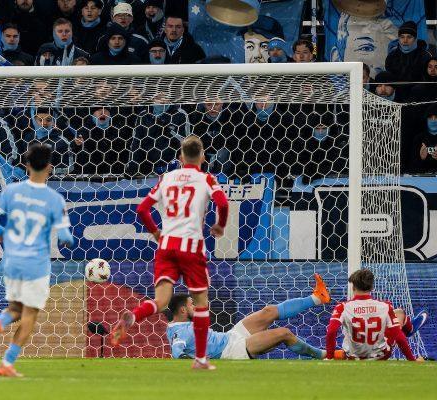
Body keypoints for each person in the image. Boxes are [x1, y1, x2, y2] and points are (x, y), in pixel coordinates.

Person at [110, 136, 229, 370]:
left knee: (161, 301)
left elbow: (142, 209)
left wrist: (155, 232)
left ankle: (134, 316)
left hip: (166, 246)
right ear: (202, 156)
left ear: (181, 157)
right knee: (201, 304)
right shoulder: (207, 179)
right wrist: (220, 226)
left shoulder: (166, 178)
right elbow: (223, 204)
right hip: (191, 247)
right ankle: (201, 359)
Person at [0, 144, 74, 377]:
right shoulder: (55, 199)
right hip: (36, 263)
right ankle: (7, 363)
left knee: (15, 308)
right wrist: (65, 239)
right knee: (30, 314)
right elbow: (66, 237)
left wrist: (2, 233)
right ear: (50, 167)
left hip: (12, 260)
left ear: (27, 165)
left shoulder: (11, 191)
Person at [166, 274, 330, 360]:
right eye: (191, 305)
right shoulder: (179, 332)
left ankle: (317, 297)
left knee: (268, 311)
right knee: (284, 333)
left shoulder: (178, 325)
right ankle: (325, 355)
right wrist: (189, 359)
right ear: (182, 310)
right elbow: (177, 350)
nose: (195, 307)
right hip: (231, 351)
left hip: (230, 336)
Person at [325, 269, 418, 361]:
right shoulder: (385, 306)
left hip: (353, 357)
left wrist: (329, 357)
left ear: (353, 287)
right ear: (372, 287)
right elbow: (398, 336)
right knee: (399, 313)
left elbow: (331, 332)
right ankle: (409, 328)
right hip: (380, 356)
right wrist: (412, 360)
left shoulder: (342, 307)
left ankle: (408, 328)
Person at [125, 96, 190, 176]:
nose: (161, 99)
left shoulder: (180, 114)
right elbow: (136, 143)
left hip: (172, 168)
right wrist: (133, 167)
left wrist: (169, 130)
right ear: (152, 97)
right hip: (148, 169)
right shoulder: (143, 115)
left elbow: (186, 143)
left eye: (164, 94)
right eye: (158, 96)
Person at [15, 107, 75, 175]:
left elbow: (70, 167)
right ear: (35, 120)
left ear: (53, 120)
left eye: (48, 120)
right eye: (40, 120)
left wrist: (53, 170)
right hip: (29, 178)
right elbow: (20, 161)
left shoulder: (62, 141)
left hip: (52, 180)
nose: (44, 123)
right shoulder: (28, 138)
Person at [385, 21, 433, 102]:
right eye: (402, 37)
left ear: (415, 38)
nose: (405, 40)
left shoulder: (425, 56)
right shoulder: (392, 56)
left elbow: (428, 80)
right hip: (396, 99)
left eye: (409, 37)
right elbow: (389, 78)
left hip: (419, 99)